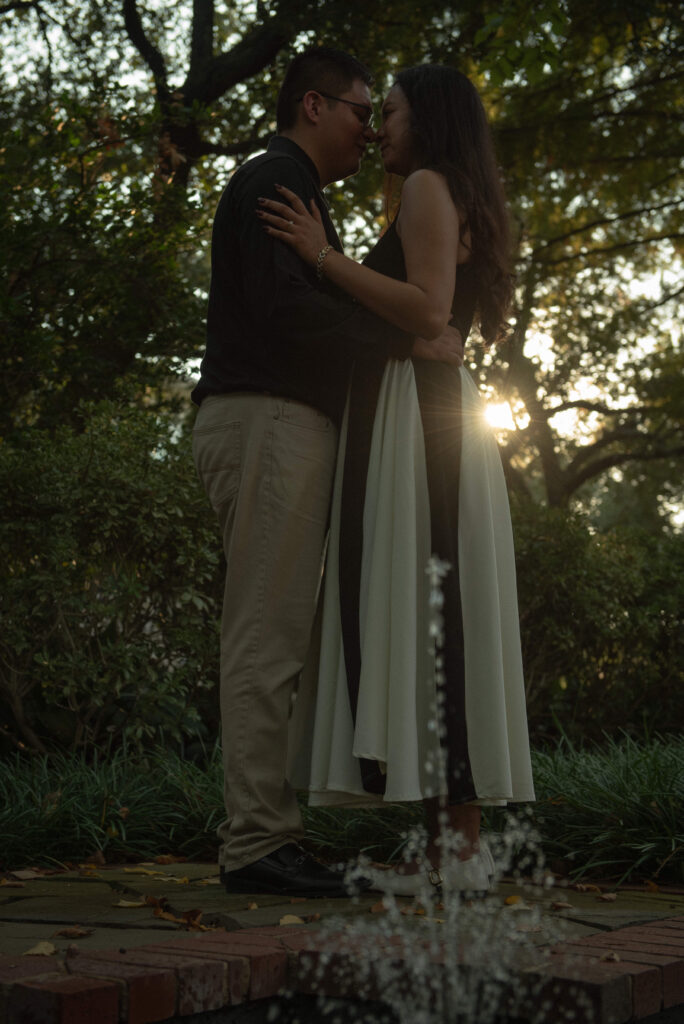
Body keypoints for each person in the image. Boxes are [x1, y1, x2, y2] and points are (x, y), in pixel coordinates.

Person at [257, 64, 536, 895]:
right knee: (437, 615)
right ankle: (457, 856)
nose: (381, 127)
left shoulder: (424, 184)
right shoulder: (454, 189)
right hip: (428, 414)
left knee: (432, 612)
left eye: (396, 113)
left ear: (432, 120)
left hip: (420, 422)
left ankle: (460, 857)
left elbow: (427, 311)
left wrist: (321, 255)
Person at [191, 48, 463, 898]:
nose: (369, 128)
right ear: (313, 105)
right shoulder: (275, 180)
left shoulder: (297, 191)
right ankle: (258, 846)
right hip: (268, 418)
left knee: (274, 632)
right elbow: (289, 315)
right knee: (264, 635)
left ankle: (267, 835)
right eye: (358, 109)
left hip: (282, 424)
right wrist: (404, 339)